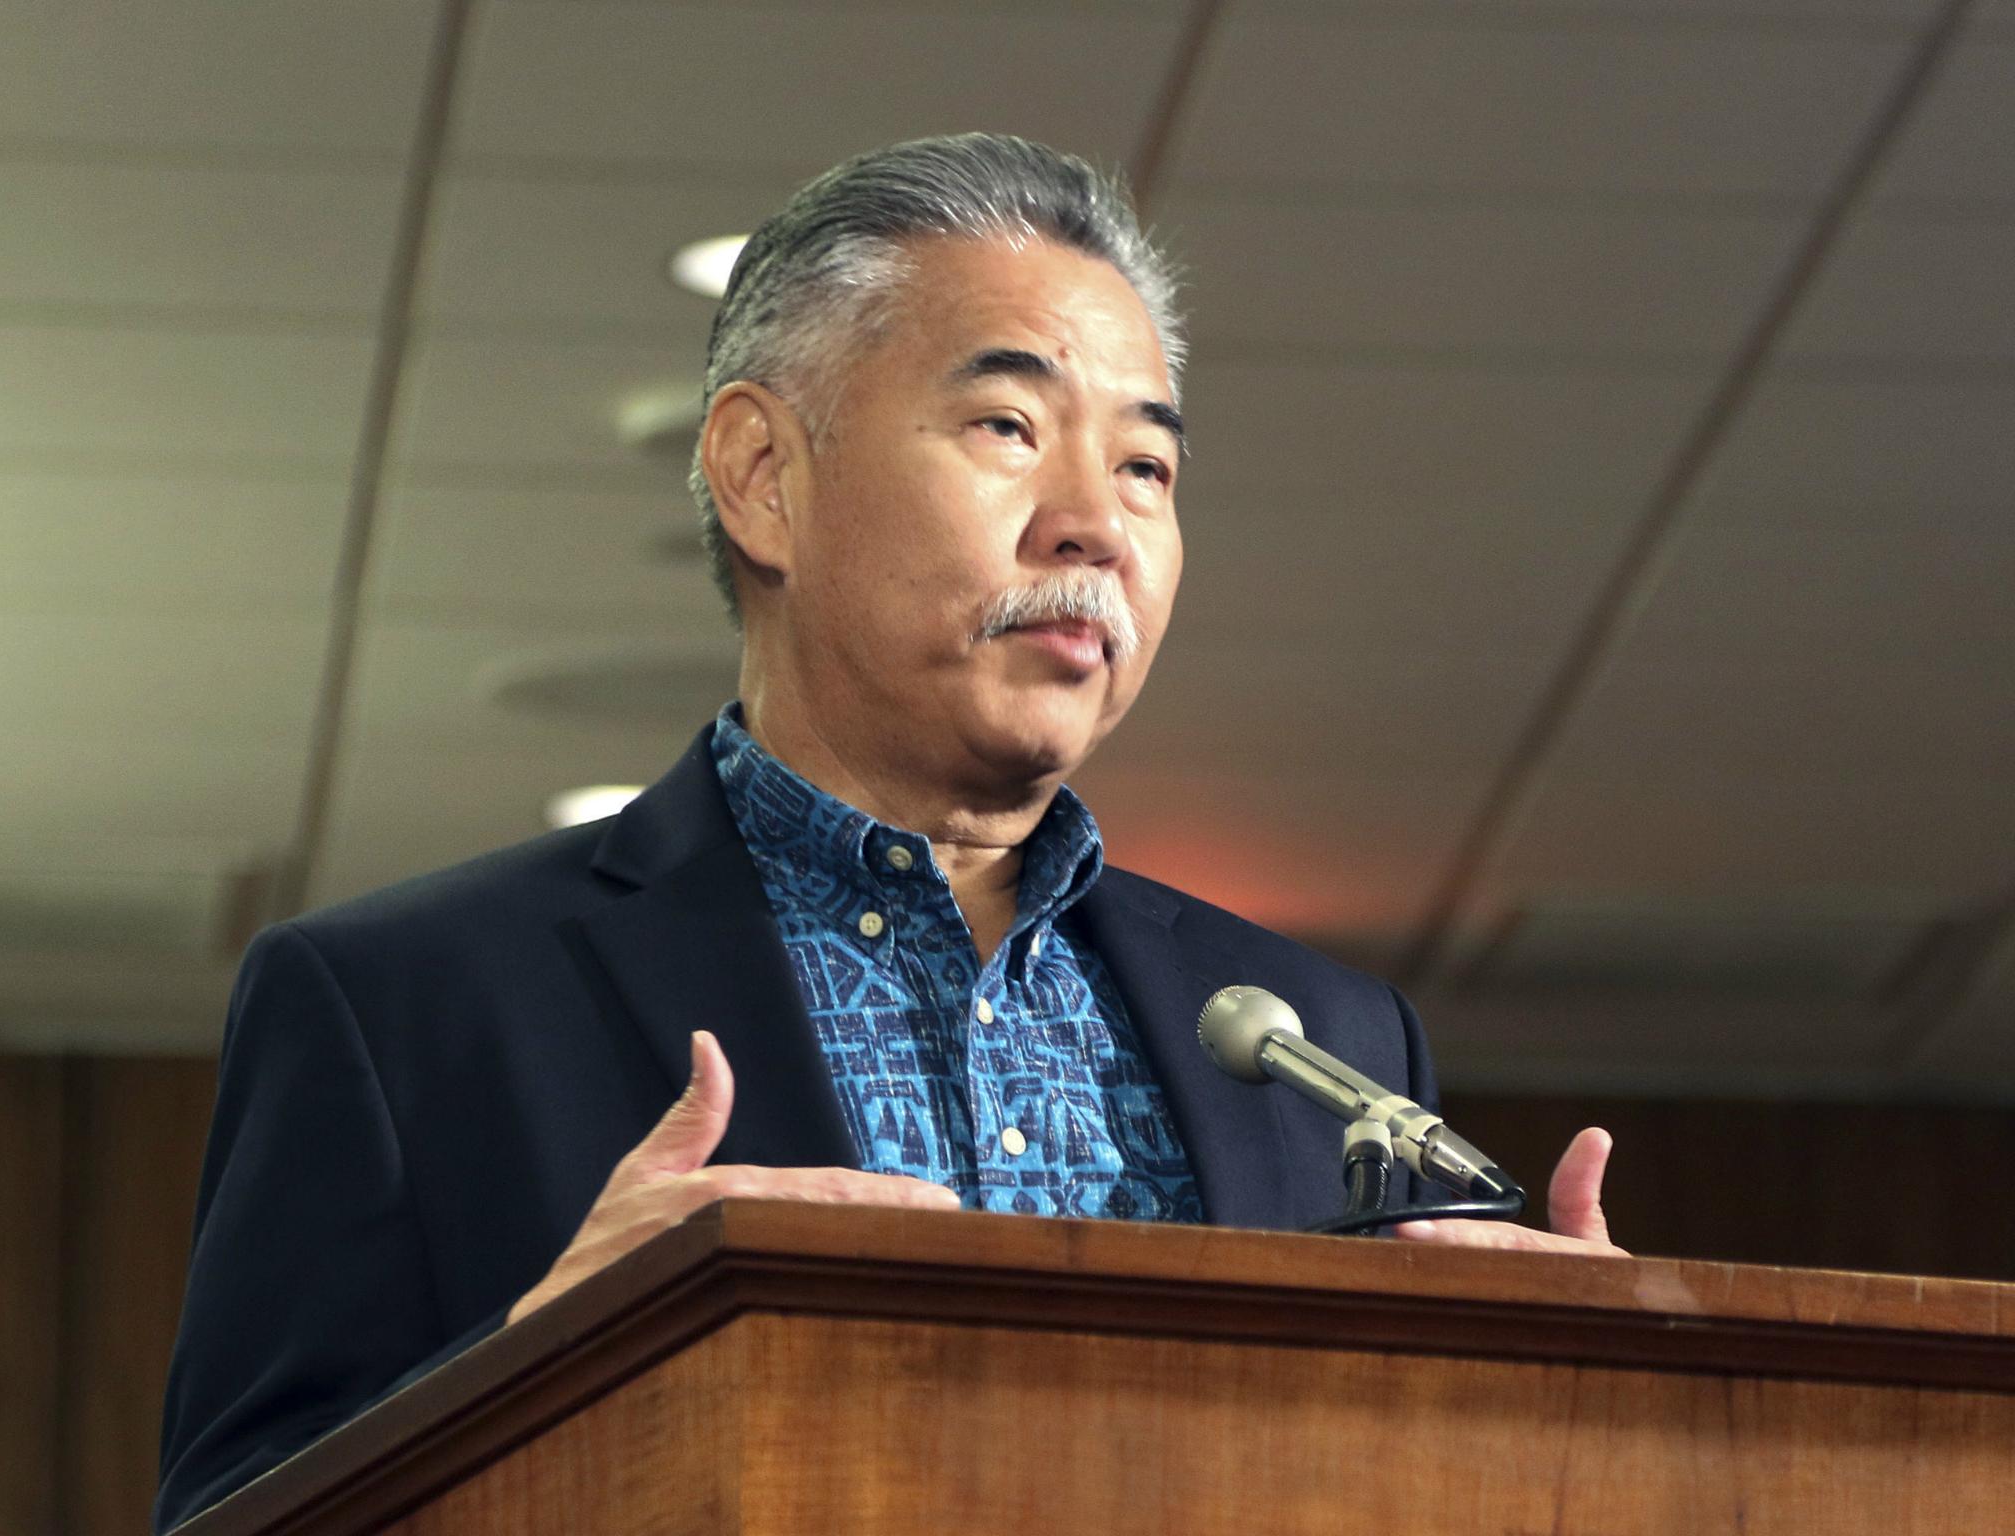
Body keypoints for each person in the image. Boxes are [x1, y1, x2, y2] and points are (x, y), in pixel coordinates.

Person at [154, 134, 1621, 1533]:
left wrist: (1595, 1430)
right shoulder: (407, 1007)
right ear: (762, 479)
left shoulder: (1334, 1049)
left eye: (1147, 469)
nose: (1095, 526)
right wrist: (543, 1360)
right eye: (1007, 427)